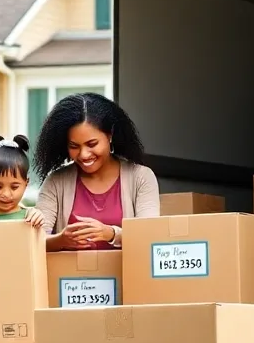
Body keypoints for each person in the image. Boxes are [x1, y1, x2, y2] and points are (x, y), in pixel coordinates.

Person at [33, 92, 160, 251]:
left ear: (110, 135)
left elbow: (149, 236)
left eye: (92, 144)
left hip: (128, 269)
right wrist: (61, 240)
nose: (84, 154)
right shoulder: (56, 181)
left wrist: (111, 234)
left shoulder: (141, 177)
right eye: (74, 146)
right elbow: (34, 241)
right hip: (70, 269)